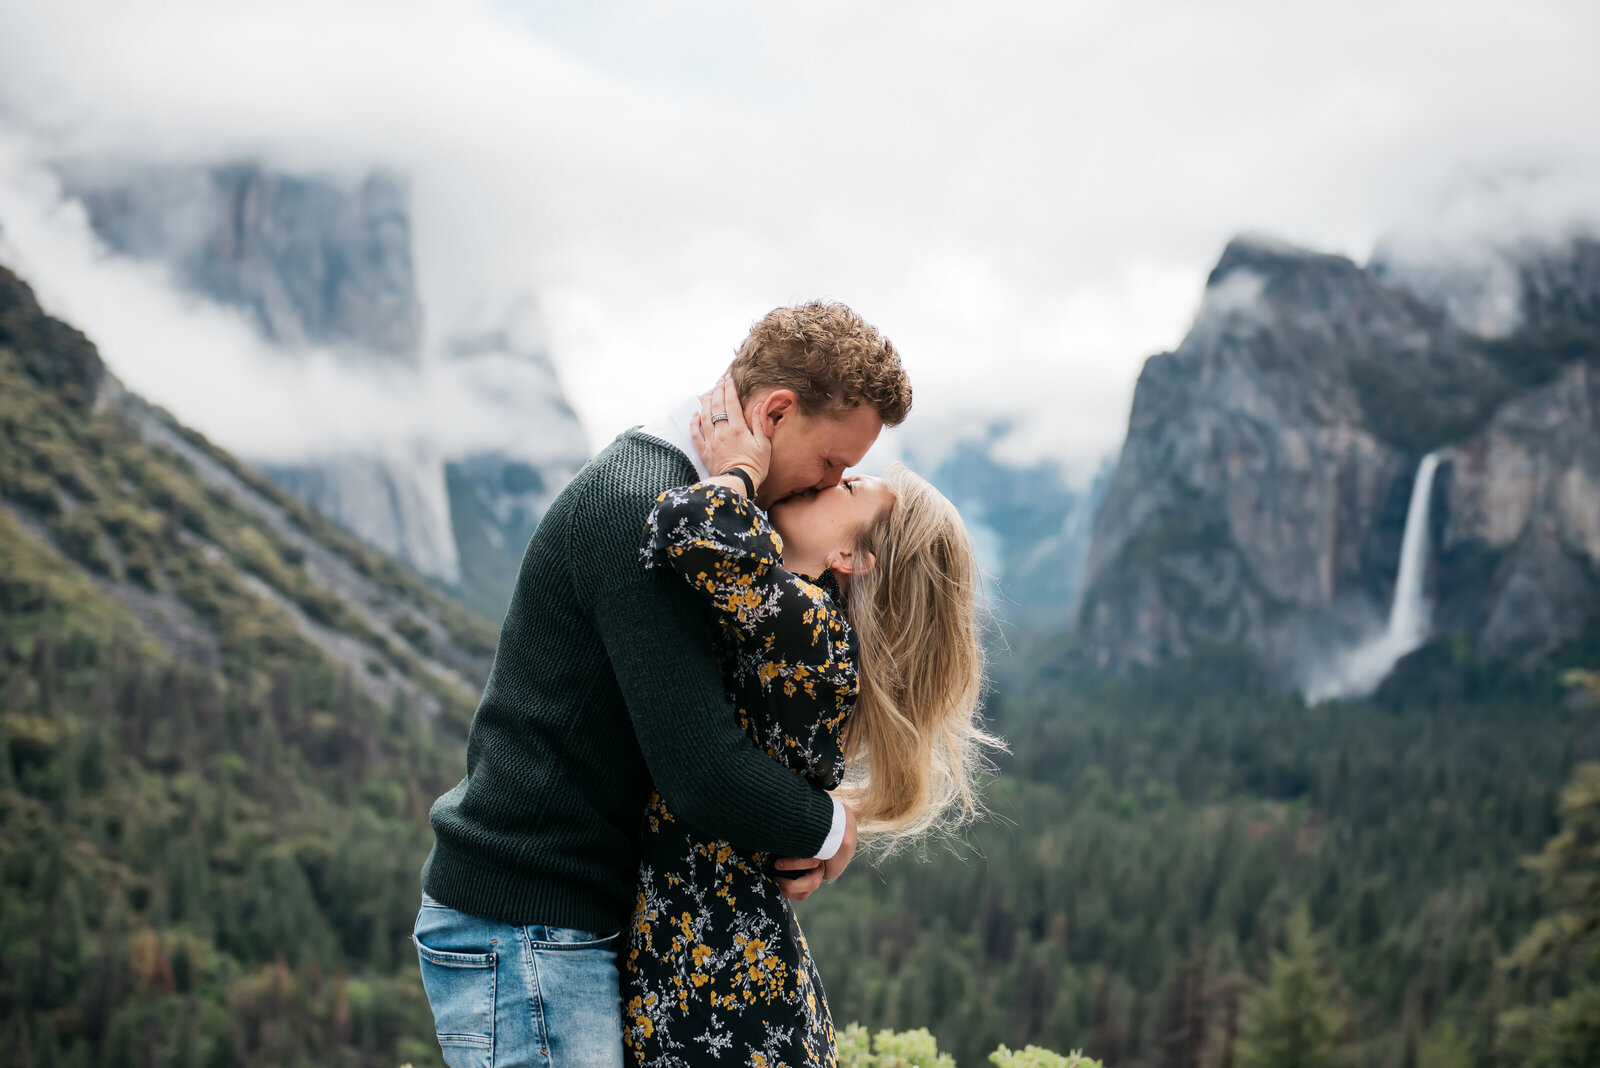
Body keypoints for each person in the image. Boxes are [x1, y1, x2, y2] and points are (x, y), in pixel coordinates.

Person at [414, 302, 912, 1068]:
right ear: (777, 412)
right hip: (525, 923)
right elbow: (702, 771)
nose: (833, 484)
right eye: (832, 466)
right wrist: (830, 829)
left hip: (568, 917)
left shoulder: (694, 507)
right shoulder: (646, 506)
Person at [621, 378, 992, 1064]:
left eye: (848, 491)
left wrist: (740, 467)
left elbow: (683, 527)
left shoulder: (813, 630)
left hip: (722, 994)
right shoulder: (792, 623)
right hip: (722, 969)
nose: (826, 485)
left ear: (852, 559)